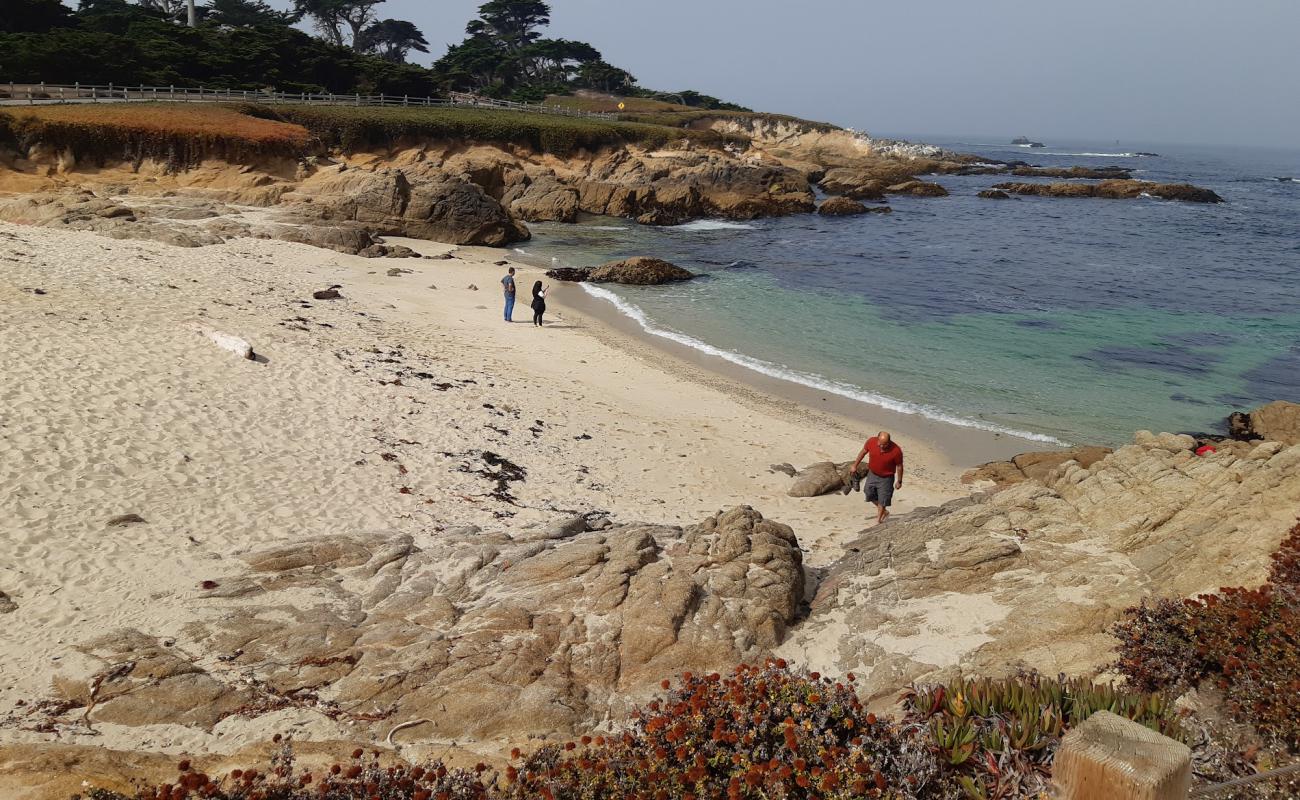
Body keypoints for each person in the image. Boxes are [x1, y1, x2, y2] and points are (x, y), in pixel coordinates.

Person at [850, 431, 904, 525]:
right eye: (880, 444)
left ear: (889, 442)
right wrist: (854, 465)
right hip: (872, 474)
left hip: (887, 478)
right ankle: (885, 511)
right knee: (868, 492)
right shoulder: (871, 441)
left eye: (885, 444)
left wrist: (899, 481)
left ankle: (878, 520)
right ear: (877, 439)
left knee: (883, 500)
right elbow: (863, 452)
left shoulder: (896, 451)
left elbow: (899, 466)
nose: (882, 447)